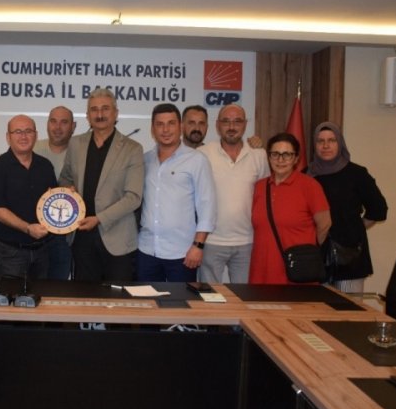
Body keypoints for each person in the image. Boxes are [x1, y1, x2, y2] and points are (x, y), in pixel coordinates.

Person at [60, 88, 144, 282]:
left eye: (105, 109)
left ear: (116, 113)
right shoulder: (76, 144)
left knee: (118, 297)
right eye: (94, 110)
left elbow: (133, 197)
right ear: (87, 116)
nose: (99, 114)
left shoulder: (132, 149)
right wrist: (68, 189)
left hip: (118, 239)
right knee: (84, 296)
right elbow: (65, 178)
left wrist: (99, 219)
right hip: (81, 236)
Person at [137, 103, 216, 282]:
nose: (165, 130)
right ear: (152, 129)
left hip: (183, 253)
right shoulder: (144, 160)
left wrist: (198, 246)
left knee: (182, 300)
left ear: (180, 126)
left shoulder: (197, 160)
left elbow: (207, 205)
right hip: (147, 250)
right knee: (145, 298)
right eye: (160, 124)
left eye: (171, 123)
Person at [308, 122, 387, 293]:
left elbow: (379, 209)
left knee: (349, 308)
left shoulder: (357, 174)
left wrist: (354, 228)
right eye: (320, 141)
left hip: (350, 257)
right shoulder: (307, 175)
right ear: (314, 145)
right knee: (317, 307)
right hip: (316, 257)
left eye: (332, 140)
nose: (326, 146)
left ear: (340, 143)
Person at [198, 104, 269, 283]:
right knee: (210, 295)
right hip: (211, 240)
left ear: (245, 125)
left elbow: (265, 197)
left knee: (244, 295)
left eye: (237, 121)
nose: (231, 127)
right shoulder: (203, 154)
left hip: (247, 241)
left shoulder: (259, 155)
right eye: (226, 121)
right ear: (217, 125)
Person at [249, 132, 331, 284]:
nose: (280, 160)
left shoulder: (309, 186)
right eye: (275, 154)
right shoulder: (260, 187)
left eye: (287, 154)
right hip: (262, 271)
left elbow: (325, 224)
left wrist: (308, 252)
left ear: (296, 158)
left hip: (296, 273)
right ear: (269, 157)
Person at [0, 115, 57, 279]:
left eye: (28, 131)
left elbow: (54, 200)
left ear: (36, 135)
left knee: (41, 295)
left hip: (43, 252)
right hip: (10, 254)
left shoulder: (45, 166)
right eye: (17, 132)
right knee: (9, 295)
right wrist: (28, 228)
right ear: (8, 137)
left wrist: (68, 196)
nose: (23, 136)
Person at [34, 105, 77, 280]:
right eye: (53, 121)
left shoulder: (81, 154)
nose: (57, 127)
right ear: (47, 124)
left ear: (73, 126)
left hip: (64, 238)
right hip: (33, 234)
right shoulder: (32, 149)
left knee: (57, 288)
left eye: (64, 122)